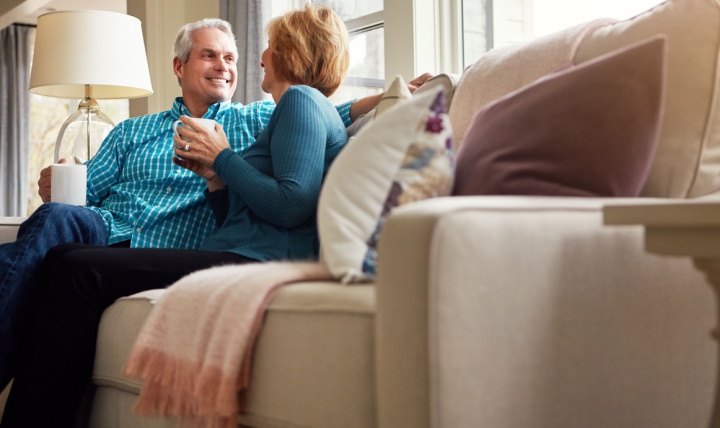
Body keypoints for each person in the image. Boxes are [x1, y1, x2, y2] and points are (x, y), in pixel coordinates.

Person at [0, 14, 429, 389]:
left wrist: (393, 96)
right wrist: (56, 185)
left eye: (230, 58)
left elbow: (320, 111)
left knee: (38, 264)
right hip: (104, 228)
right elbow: (82, 194)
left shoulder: (256, 119)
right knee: (49, 223)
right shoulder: (131, 131)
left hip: (173, 247)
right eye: (209, 55)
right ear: (179, 66)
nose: (224, 66)